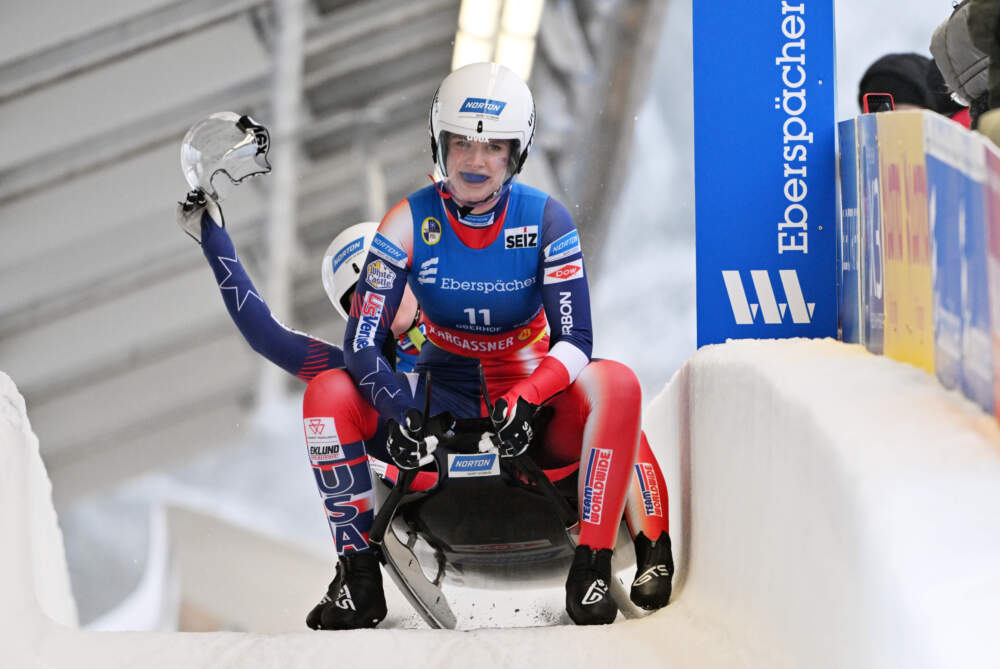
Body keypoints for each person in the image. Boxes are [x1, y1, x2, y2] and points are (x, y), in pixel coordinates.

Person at [297, 61, 672, 629]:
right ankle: (358, 576)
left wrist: (527, 395)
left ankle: (594, 563)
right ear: (438, 145)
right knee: (327, 394)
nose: (474, 162)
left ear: (514, 154)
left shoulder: (547, 220)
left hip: (531, 413)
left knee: (616, 382)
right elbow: (362, 342)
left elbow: (576, 340)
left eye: (492, 147)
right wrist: (399, 413)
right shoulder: (403, 223)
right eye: (461, 145)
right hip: (435, 416)